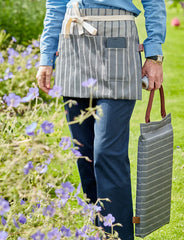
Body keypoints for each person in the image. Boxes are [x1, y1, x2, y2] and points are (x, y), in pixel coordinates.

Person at [36, 0, 166, 239]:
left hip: (119, 44)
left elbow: (154, 2)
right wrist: (46, 57)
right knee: (85, 156)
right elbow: (56, 4)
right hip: (72, 46)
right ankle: (98, 231)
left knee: (107, 152)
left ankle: (119, 235)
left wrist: (154, 54)